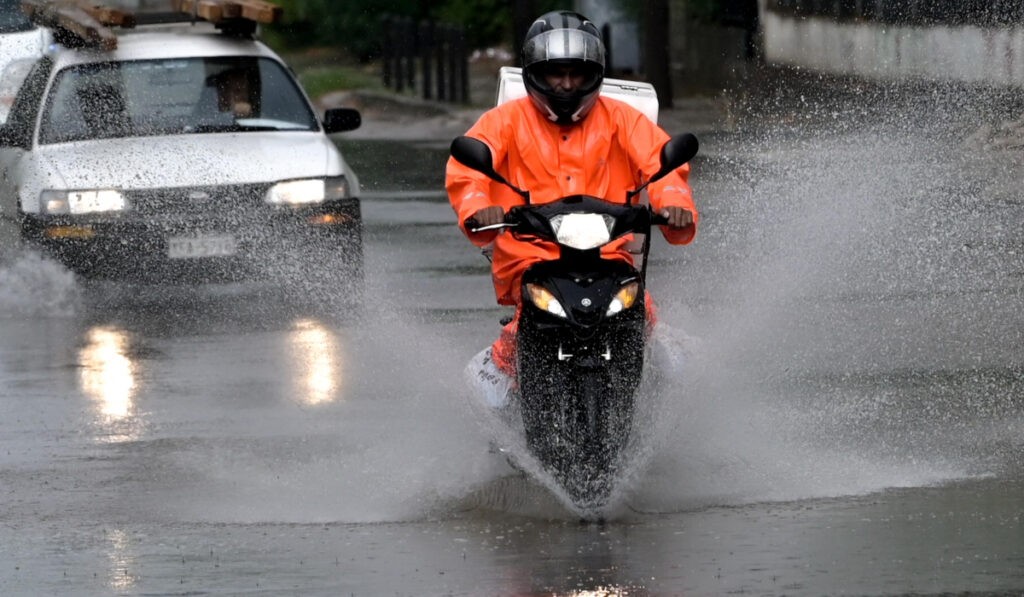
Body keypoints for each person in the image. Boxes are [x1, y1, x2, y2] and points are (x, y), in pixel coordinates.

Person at [446, 10, 698, 381]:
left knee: (641, 318)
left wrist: (674, 202)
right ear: (534, 72)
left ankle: (650, 399)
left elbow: (662, 164)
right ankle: (508, 403)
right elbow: (467, 169)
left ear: (594, 73)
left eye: (576, 73)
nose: (566, 84)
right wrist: (479, 207)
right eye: (556, 73)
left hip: (607, 255)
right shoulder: (503, 122)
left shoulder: (624, 120)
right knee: (515, 344)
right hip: (530, 257)